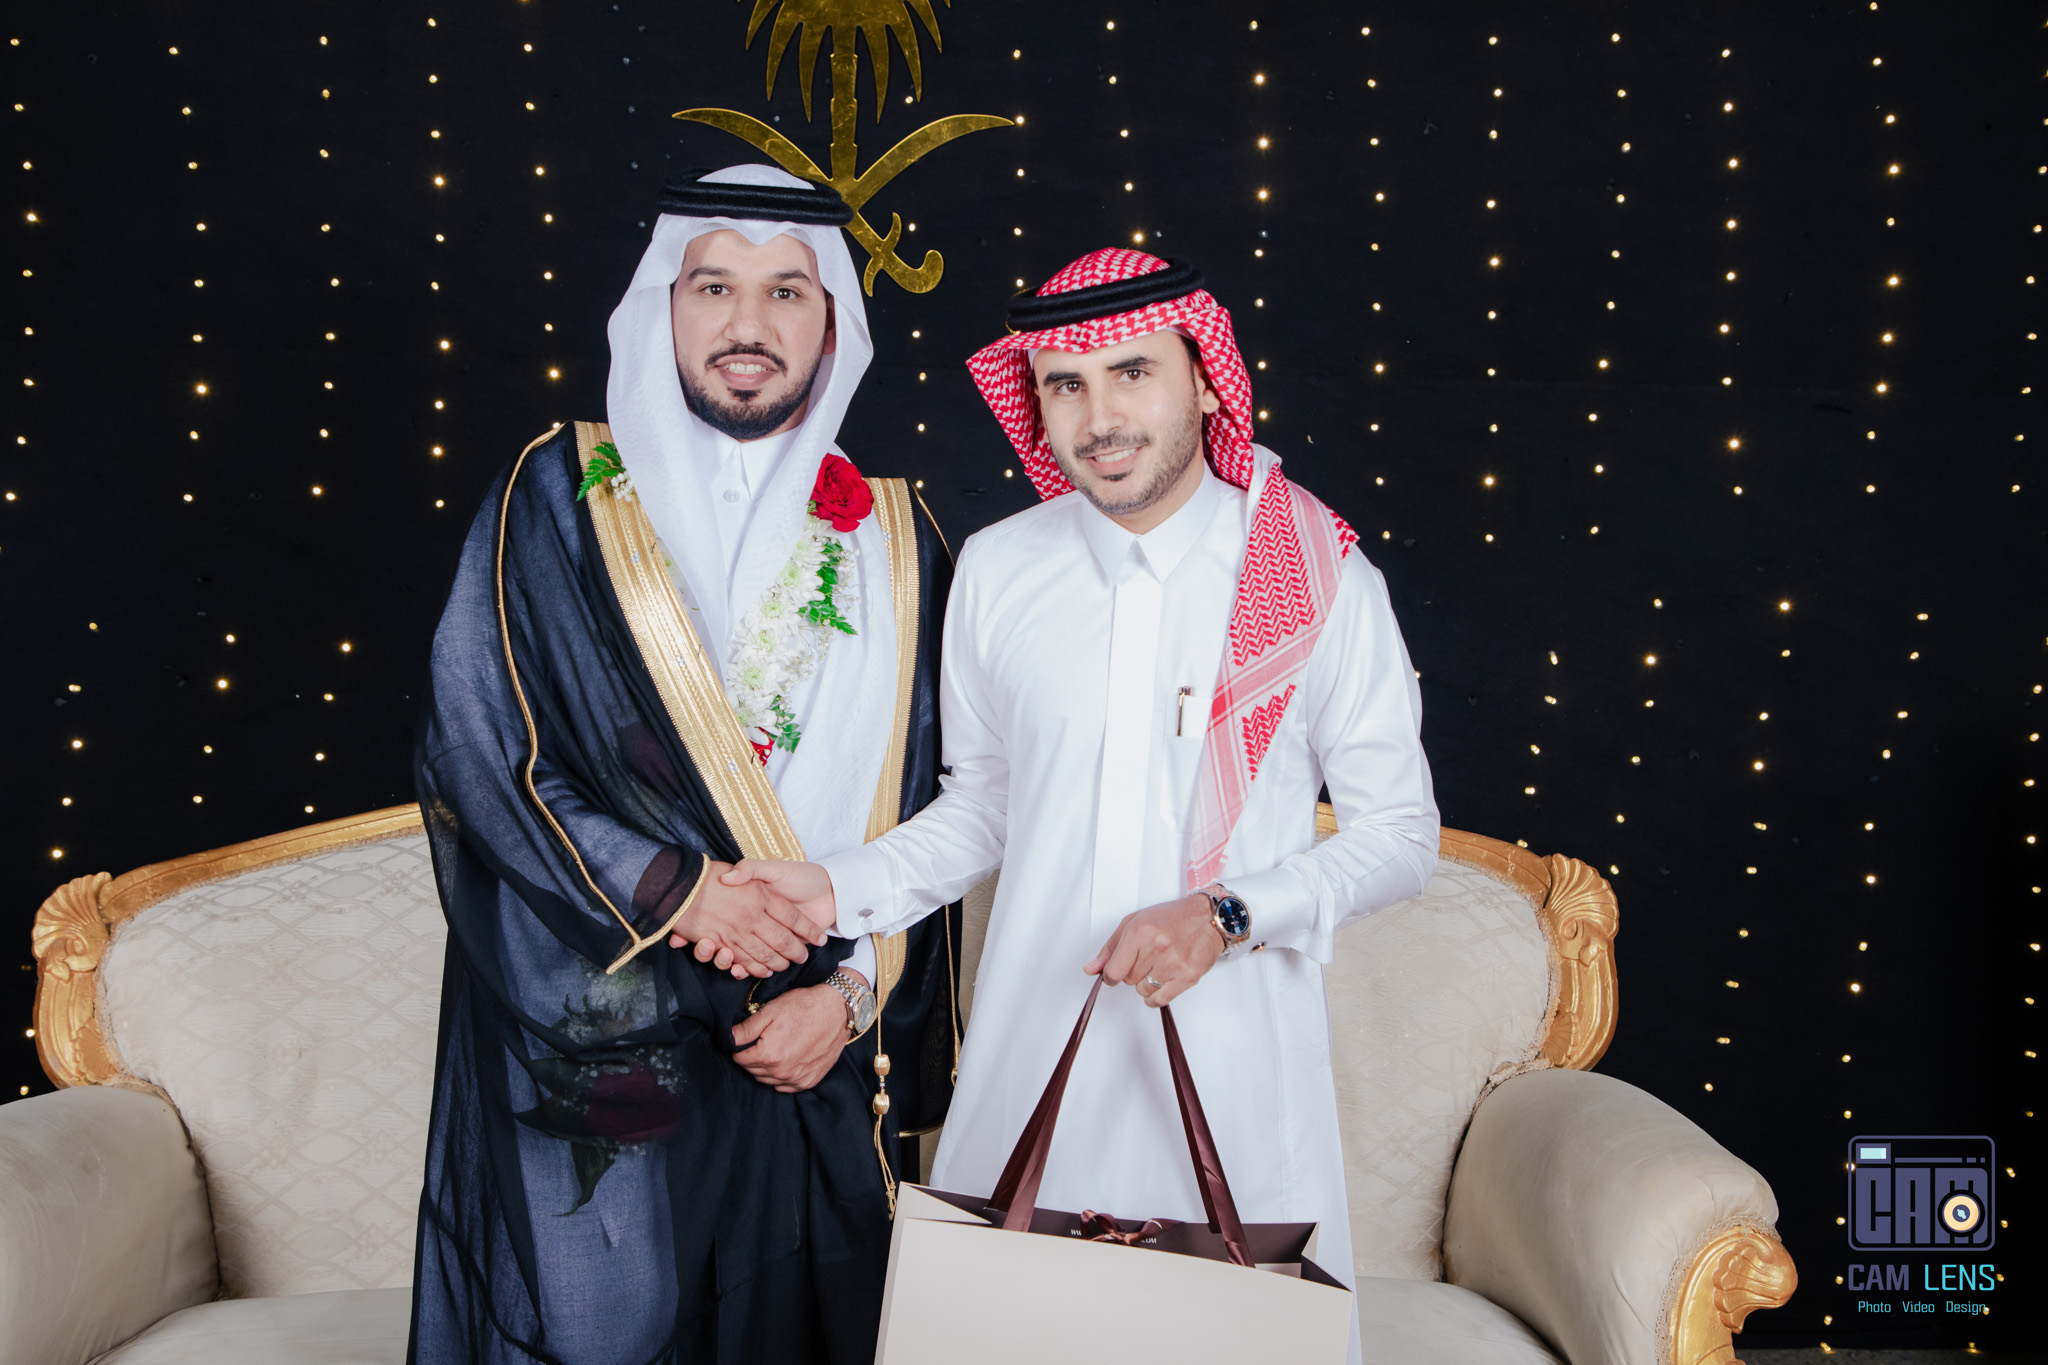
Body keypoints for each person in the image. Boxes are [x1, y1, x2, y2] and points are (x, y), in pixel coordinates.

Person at [735, 248, 1439, 1364]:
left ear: (1203, 376)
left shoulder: (1315, 576)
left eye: (1132, 374)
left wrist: (1226, 915)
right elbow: (983, 806)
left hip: (1235, 1077)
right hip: (1032, 1057)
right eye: (1064, 385)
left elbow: (1400, 836)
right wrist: (836, 889)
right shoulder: (1001, 568)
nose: (1098, 417)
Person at [409, 164, 958, 1365]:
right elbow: (481, 750)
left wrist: (850, 997)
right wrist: (685, 894)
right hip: (613, 1025)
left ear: (832, 327)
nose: (747, 324)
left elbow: (939, 806)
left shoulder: (896, 539)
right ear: (661, 304)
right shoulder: (558, 497)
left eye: (786, 292)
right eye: (713, 287)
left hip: (809, 1038)